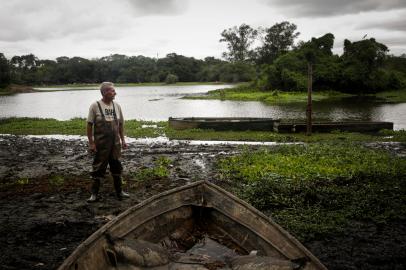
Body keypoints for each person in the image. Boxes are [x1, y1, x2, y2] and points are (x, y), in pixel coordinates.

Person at [86, 82, 129, 202]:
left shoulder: (117, 106)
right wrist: (91, 143)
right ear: (105, 92)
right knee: (98, 167)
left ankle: (120, 192)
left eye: (114, 91)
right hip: (101, 144)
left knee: (116, 166)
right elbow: (89, 125)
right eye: (112, 91)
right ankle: (94, 194)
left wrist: (123, 140)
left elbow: (120, 125)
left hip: (115, 143)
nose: (115, 93)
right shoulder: (95, 106)